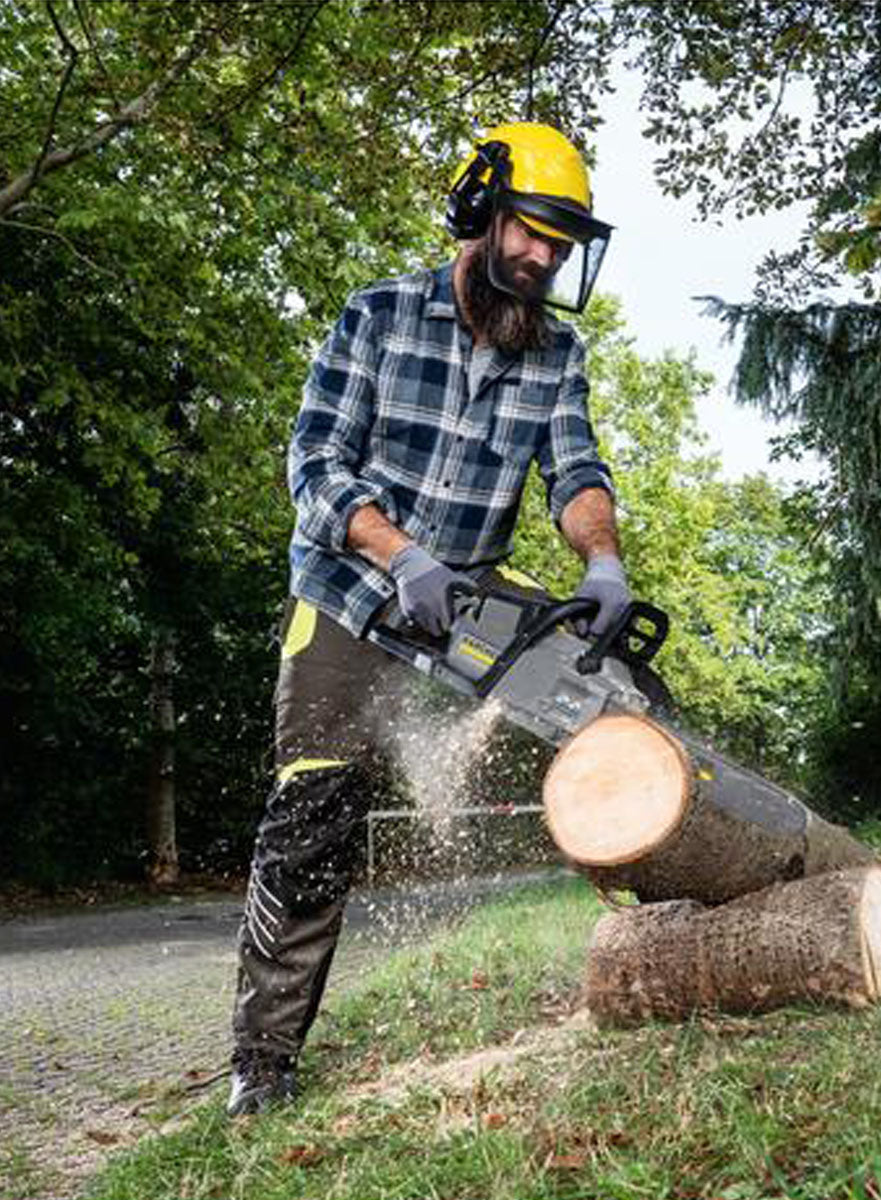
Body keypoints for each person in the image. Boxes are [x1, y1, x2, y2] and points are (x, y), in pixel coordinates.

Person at [227, 122, 628, 1115]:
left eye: (562, 243)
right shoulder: (378, 315)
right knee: (314, 819)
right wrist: (397, 552)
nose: (544, 258)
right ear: (480, 212)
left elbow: (573, 472)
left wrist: (605, 560)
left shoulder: (557, 352)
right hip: (352, 597)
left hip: (463, 604)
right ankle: (263, 1065)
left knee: (607, 700)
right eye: (532, 232)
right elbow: (314, 468)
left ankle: (675, 927)